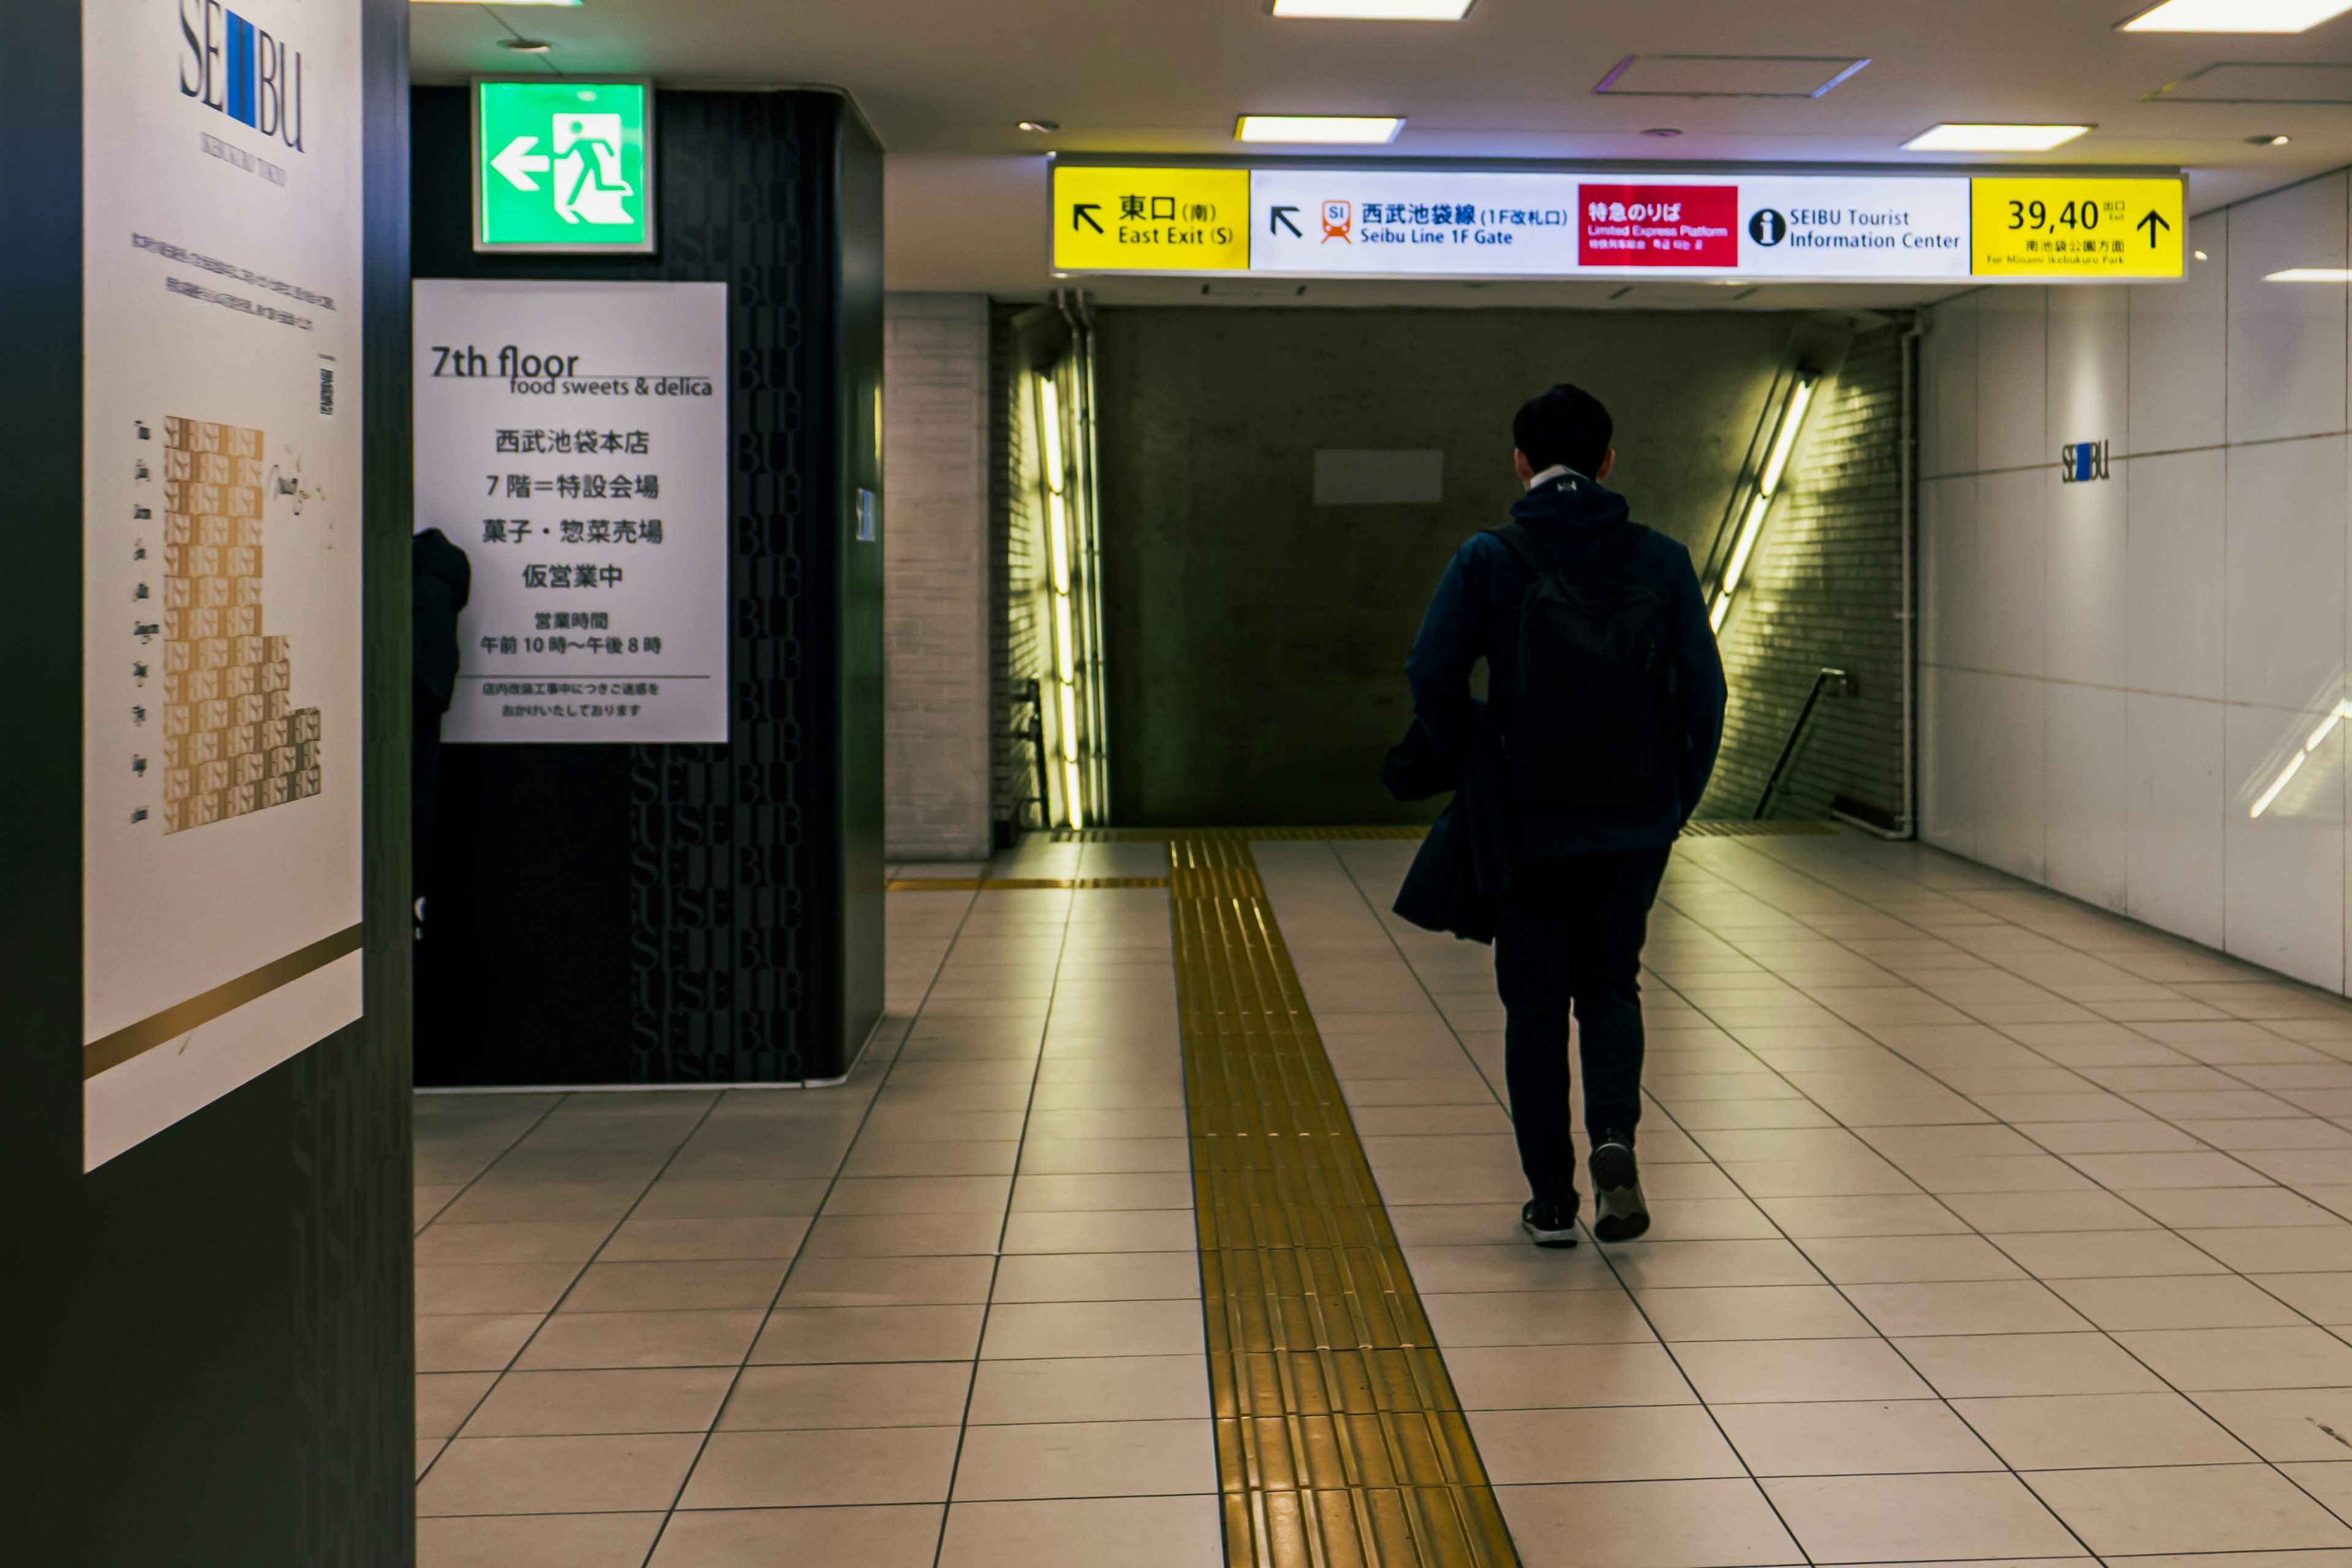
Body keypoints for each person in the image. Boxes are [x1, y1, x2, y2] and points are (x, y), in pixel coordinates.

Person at [1405, 383, 1725, 1247]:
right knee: (1612, 987)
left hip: (1526, 820)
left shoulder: (1489, 557)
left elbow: (1429, 673)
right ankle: (1614, 1139)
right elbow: (1707, 697)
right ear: (1608, 462)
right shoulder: (1660, 558)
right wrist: (1670, 803)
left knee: (1536, 1004)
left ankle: (1552, 1199)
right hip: (1634, 823)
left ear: (1520, 462)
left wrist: (1472, 756)